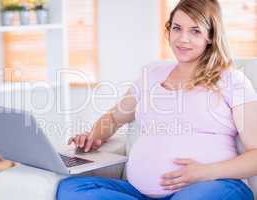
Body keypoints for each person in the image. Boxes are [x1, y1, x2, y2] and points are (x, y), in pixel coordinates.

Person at [57, 0, 257, 199]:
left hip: (213, 187)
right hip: (139, 194)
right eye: (177, 28)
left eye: (195, 31)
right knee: (71, 189)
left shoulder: (232, 80)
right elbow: (115, 118)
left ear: (211, 36)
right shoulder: (152, 75)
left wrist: (204, 172)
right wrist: (94, 137)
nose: (183, 39)